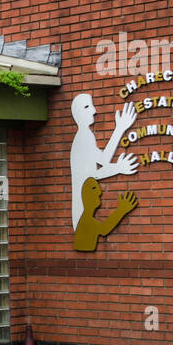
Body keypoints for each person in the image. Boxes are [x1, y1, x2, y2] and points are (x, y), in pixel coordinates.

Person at [71, 93, 138, 230]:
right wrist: (118, 168)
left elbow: (103, 160)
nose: (94, 111)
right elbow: (91, 175)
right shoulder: (83, 137)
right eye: (87, 107)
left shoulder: (85, 135)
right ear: (78, 113)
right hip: (82, 212)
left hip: (83, 211)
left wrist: (119, 128)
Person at [73, 177, 139, 252]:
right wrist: (121, 210)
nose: (99, 192)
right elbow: (104, 229)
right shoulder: (86, 220)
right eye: (94, 188)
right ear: (85, 195)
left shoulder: (85, 219)